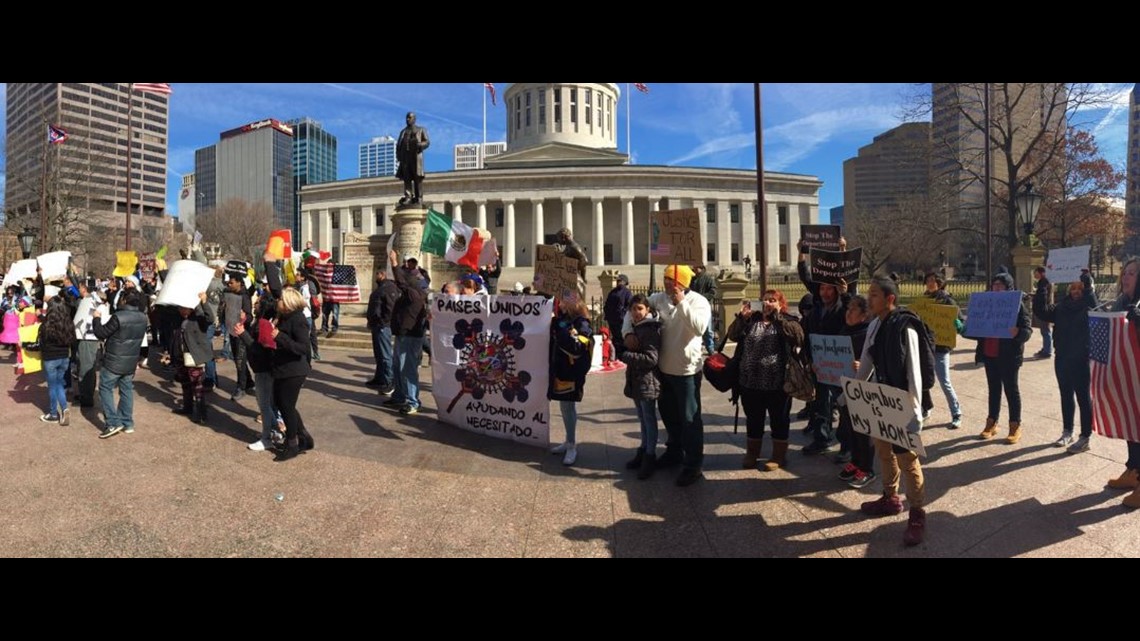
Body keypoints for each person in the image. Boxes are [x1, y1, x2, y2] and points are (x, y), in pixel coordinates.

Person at [856, 277, 929, 547]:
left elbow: (914, 372)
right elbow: (867, 361)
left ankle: (918, 514)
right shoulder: (874, 325)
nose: (868, 299)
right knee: (883, 452)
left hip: (903, 403)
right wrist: (850, 393)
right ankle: (890, 498)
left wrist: (916, 411)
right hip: (880, 400)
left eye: (874, 295)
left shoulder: (904, 326)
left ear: (890, 299)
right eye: (868, 294)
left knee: (908, 460)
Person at [625, 264, 711, 486]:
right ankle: (674, 452)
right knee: (670, 417)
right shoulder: (659, 298)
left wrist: (681, 302)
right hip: (663, 370)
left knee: (690, 419)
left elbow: (699, 328)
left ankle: (693, 465)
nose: (666, 286)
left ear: (681, 283)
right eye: (664, 281)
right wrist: (627, 333)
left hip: (687, 371)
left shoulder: (699, 302)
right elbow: (635, 307)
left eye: (670, 282)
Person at [728, 289, 804, 472]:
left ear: (780, 304)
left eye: (773, 300)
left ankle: (778, 456)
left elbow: (798, 337)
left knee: (779, 419)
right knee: (754, 419)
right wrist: (741, 318)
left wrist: (778, 318)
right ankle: (752, 454)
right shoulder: (752, 320)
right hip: (749, 382)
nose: (768, 303)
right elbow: (732, 335)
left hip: (777, 383)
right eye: (765, 300)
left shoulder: (787, 321)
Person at [797, 237, 854, 454]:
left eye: (830, 289)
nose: (825, 292)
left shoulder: (844, 307)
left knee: (844, 406)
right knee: (822, 404)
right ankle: (822, 439)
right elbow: (805, 275)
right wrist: (802, 252)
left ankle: (846, 446)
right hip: (820, 365)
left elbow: (853, 314)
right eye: (822, 289)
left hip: (842, 365)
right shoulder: (817, 308)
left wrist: (842, 249)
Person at [1033, 271, 1099, 452]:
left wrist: (1089, 289)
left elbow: (1096, 311)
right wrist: (1043, 285)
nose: (1076, 291)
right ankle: (1067, 431)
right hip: (1062, 358)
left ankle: (1085, 436)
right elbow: (1042, 312)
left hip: (1081, 359)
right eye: (1074, 288)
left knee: (1083, 398)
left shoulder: (1087, 306)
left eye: (1080, 288)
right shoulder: (1062, 307)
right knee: (1066, 396)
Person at [974, 271, 1033, 444]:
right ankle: (991, 423)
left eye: (1001, 285)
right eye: (995, 285)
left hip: (1009, 356)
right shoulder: (986, 303)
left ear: (1008, 288)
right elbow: (978, 328)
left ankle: (1015, 426)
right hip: (990, 353)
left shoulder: (1017, 305)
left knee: (1011, 390)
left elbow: (1027, 330)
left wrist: (1019, 332)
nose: (997, 288)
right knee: (993, 390)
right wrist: (965, 328)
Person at [1103, 258, 1140, 508]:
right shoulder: (1121, 303)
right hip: (1128, 378)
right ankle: (1133, 471)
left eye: (1133, 273)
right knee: (1131, 428)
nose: (1126, 277)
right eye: (1124, 272)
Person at [91, 289, 147, 438]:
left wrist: (96, 318)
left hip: (114, 360)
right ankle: (127, 422)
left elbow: (101, 333)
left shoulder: (118, 317)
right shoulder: (143, 317)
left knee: (105, 388)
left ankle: (112, 422)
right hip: (130, 359)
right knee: (127, 389)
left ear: (124, 300)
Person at [834, 295, 876, 487]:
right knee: (850, 428)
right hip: (846, 389)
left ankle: (867, 469)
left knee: (864, 431)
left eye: (853, 310)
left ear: (864, 315)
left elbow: (877, 362)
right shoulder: (844, 331)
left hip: (865, 389)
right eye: (847, 308)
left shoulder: (869, 334)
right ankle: (855, 462)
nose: (848, 313)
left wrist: (863, 366)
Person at [548, 293, 594, 466]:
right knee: (565, 407)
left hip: (572, 373)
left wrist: (559, 330)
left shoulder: (582, 323)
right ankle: (568, 440)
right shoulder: (563, 319)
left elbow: (577, 347)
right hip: (561, 370)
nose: (559, 304)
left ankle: (572, 445)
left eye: (563, 301)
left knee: (568, 407)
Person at [619, 294, 662, 478]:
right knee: (642, 419)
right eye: (633, 309)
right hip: (637, 381)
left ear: (648, 310)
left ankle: (650, 456)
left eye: (640, 309)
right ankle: (643, 450)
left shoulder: (650, 329)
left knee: (649, 420)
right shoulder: (636, 327)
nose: (636, 312)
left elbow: (652, 359)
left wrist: (626, 355)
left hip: (647, 381)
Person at [270, 288, 315, 461]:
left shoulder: (298, 319)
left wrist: (279, 336)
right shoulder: (284, 317)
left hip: (294, 370)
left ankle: (292, 443)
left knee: (286, 406)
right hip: (282, 367)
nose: (278, 302)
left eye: (281, 299)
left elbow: (303, 348)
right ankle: (303, 436)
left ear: (288, 302)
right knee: (282, 404)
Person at [385, 249, 428, 415]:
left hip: (410, 336)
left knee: (408, 369)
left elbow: (403, 282)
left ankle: (413, 401)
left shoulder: (416, 294)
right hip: (403, 335)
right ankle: (399, 395)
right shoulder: (410, 292)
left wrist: (395, 264)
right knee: (397, 366)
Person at [923, 272, 963, 429]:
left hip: (940, 347)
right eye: (928, 280)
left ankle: (956, 412)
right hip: (925, 346)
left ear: (940, 283)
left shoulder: (947, 300)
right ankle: (926, 408)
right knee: (923, 381)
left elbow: (959, 320)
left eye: (933, 280)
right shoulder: (924, 300)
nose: (930, 283)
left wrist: (958, 324)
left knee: (945, 382)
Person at [172, 292, 215, 425]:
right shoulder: (178, 320)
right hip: (181, 356)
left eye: (183, 308)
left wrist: (204, 302)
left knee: (197, 385)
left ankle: (201, 413)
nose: (180, 310)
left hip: (193, 356)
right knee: (185, 383)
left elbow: (210, 318)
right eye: (179, 308)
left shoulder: (198, 318)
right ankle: (187, 407)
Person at [36, 297, 75, 425]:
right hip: (64, 357)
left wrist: (24, 345)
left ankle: (53, 413)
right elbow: (72, 340)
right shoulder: (68, 323)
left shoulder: (45, 326)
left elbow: (39, 345)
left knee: (53, 386)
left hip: (50, 359)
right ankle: (63, 408)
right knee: (59, 384)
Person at [365, 267, 399, 394]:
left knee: (385, 355)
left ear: (383, 274)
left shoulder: (389, 288)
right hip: (376, 325)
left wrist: (383, 321)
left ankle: (389, 382)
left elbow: (390, 308)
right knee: (379, 354)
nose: (375, 276)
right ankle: (380, 378)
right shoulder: (380, 288)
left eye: (377, 274)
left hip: (383, 326)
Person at [221, 275, 255, 401]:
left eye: (232, 282)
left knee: (240, 360)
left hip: (241, 333)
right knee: (237, 359)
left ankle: (241, 387)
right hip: (232, 330)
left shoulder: (244, 297)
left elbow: (250, 317)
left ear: (239, 283)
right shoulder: (228, 293)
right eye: (228, 283)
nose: (229, 284)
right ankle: (249, 382)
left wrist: (244, 318)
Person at [396, 111, 430, 205]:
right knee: (407, 178)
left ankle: (419, 197)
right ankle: (408, 197)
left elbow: (427, 142)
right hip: (405, 158)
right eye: (407, 118)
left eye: (410, 118)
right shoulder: (403, 132)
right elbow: (398, 145)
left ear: (414, 119)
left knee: (417, 178)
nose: (407, 119)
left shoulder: (421, 129)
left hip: (415, 156)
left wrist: (419, 144)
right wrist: (399, 156)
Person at [689, 265, 718, 355]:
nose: (695, 269)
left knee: (707, 329)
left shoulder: (708, 279)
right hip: (693, 306)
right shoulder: (692, 279)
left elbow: (713, 291)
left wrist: (702, 297)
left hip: (704, 306)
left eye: (697, 268)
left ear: (701, 269)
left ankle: (710, 348)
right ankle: (696, 347)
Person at [604, 274, 632, 357]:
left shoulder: (627, 293)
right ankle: (616, 353)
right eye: (617, 281)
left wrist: (622, 314)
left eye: (620, 281)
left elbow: (629, 305)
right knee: (615, 337)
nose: (618, 282)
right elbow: (607, 303)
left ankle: (623, 354)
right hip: (612, 319)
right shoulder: (612, 292)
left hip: (621, 320)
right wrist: (607, 313)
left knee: (621, 337)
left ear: (625, 282)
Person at [1031, 266, 1054, 358]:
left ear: (1041, 273)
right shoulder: (1044, 282)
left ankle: (1047, 351)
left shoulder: (1044, 282)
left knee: (1045, 330)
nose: (1034, 275)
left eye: (1035, 273)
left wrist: (1035, 297)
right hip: (1044, 309)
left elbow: (1042, 297)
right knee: (1045, 330)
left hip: (1043, 310)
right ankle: (1046, 348)